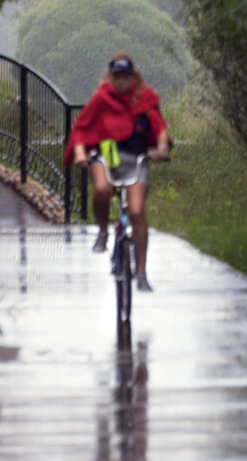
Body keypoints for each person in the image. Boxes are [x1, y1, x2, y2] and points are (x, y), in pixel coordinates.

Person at [64, 52, 170, 291]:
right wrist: (80, 153)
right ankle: (102, 231)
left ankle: (141, 273)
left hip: (136, 160)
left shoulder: (145, 98)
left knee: (136, 211)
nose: (121, 81)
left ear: (133, 76)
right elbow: (81, 128)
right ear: (111, 77)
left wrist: (161, 149)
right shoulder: (102, 98)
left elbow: (160, 127)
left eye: (125, 76)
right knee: (102, 189)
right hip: (105, 159)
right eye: (117, 76)